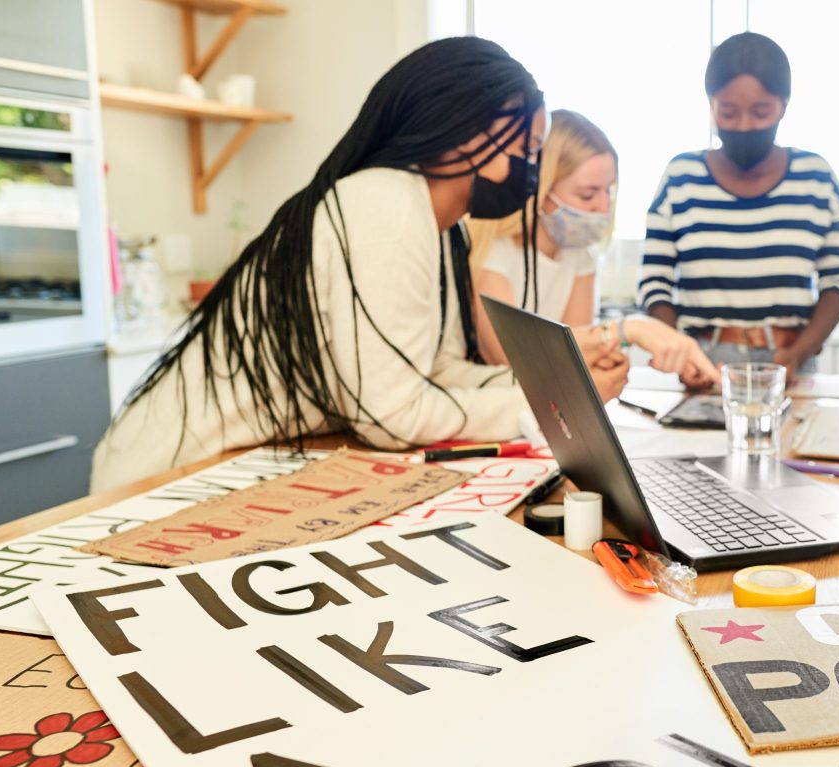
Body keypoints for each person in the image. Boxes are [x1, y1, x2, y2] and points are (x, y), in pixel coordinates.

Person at [91, 38, 628, 493]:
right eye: (529, 150)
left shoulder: (438, 229)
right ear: (471, 134)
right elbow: (394, 417)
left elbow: (433, 374)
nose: (531, 171)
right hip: (170, 473)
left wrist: (558, 384)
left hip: (240, 462)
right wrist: (552, 404)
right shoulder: (385, 210)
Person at [638, 32, 839, 381]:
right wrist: (682, 353)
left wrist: (797, 354)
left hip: (790, 360)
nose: (744, 125)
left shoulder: (817, 178)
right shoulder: (681, 177)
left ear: (784, 104)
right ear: (711, 104)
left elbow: (837, 285)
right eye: (728, 112)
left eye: (761, 111)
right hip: (703, 363)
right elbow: (654, 283)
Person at [466, 109, 718, 387]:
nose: (603, 207)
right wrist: (625, 331)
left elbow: (573, 357)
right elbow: (513, 357)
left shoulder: (580, 256)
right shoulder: (492, 251)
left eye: (608, 190)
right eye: (587, 194)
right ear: (539, 186)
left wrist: (605, 357)